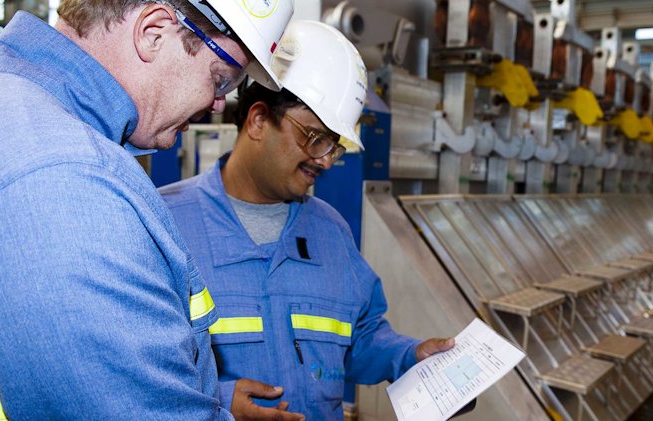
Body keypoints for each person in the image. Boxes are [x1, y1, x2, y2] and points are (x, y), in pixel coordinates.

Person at [0, 1, 296, 419]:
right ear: (153, 32)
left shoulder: (16, 109)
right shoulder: (69, 183)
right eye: (220, 79)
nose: (218, 104)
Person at [159, 20, 456, 420]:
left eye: (335, 146)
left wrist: (408, 355)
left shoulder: (330, 232)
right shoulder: (167, 225)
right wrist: (217, 400)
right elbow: (134, 365)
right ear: (259, 120)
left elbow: (360, 335)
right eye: (314, 138)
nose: (326, 160)